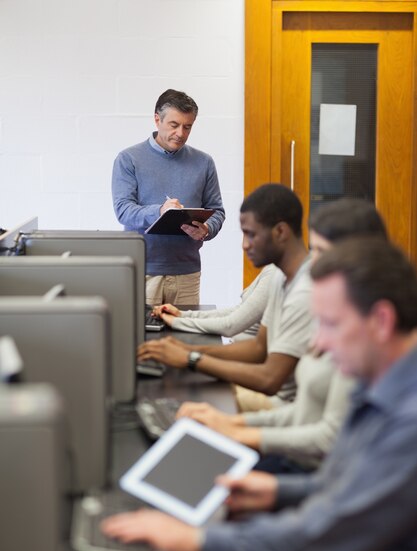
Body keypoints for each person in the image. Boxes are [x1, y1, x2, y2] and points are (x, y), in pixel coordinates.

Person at [103, 238, 417, 551]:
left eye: (331, 324)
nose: (318, 343)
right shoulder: (377, 382)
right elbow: (349, 486)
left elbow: (325, 531)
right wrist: (276, 492)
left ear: (381, 321)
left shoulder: (407, 420)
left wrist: (199, 540)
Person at [175, 199, 387, 474]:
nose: (314, 264)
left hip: (309, 469)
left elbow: (327, 438)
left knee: (200, 470)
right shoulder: (330, 310)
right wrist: (233, 426)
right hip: (296, 453)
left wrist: (240, 434)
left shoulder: (363, 331)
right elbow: (301, 414)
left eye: (322, 252)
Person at [138, 183, 314, 412]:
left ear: (280, 232)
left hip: (281, 406)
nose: (245, 245)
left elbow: (270, 380)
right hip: (269, 396)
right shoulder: (283, 279)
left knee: (178, 402)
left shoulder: (304, 290)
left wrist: (190, 358)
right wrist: (185, 351)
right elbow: (258, 348)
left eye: (251, 235)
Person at [112, 89, 225, 306]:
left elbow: (217, 211)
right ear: (157, 119)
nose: (181, 133)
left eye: (188, 126)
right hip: (143, 272)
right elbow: (123, 210)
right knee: (143, 338)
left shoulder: (204, 162)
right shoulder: (129, 159)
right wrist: (160, 211)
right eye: (174, 125)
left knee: (185, 338)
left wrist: (207, 229)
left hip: (187, 272)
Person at [151, 263, 275, 342]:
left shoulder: (274, 275)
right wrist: (182, 315)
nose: (245, 245)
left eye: (252, 234)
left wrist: (176, 322)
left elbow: (230, 326)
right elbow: (239, 311)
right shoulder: (271, 269)